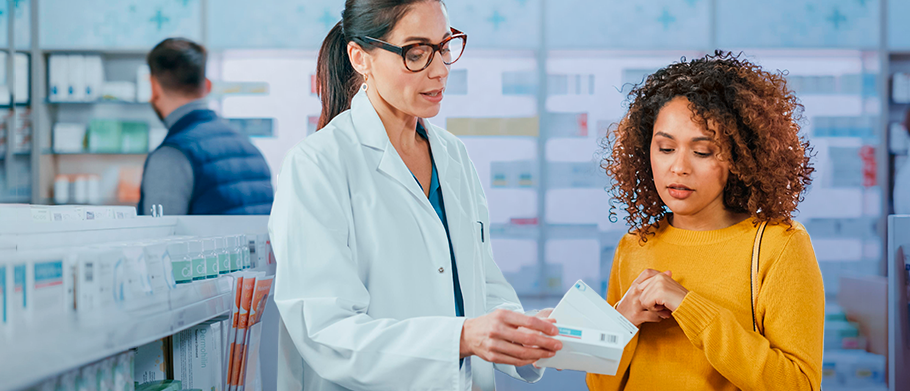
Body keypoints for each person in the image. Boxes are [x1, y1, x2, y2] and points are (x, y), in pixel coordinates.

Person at [269, 1, 561, 390]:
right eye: (416, 53)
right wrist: (461, 338)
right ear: (361, 58)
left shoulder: (452, 155)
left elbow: (482, 286)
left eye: (444, 47)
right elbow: (326, 331)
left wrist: (523, 331)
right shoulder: (316, 166)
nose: (440, 70)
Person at [587, 52, 825, 390]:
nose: (679, 167)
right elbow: (600, 386)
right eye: (666, 148)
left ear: (740, 158)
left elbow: (799, 385)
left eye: (702, 152)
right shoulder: (633, 246)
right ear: (646, 151)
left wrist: (689, 307)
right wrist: (622, 320)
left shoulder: (779, 244)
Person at [138, 38, 274, 215]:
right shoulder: (250, 150)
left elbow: (158, 239)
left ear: (154, 86)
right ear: (207, 86)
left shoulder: (171, 157)